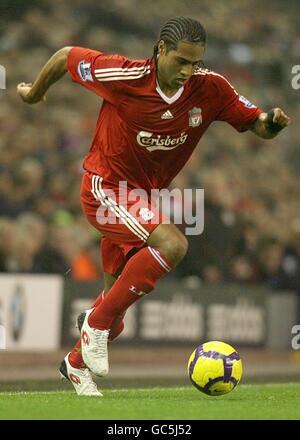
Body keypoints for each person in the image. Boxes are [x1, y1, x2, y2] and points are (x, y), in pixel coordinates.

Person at [17, 16, 290, 396]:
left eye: (195, 63)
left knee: (118, 318)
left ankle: (76, 365)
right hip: (104, 187)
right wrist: (34, 93)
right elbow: (66, 56)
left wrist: (272, 123)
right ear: (161, 49)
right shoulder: (123, 76)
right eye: (181, 61)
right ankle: (93, 322)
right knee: (173, 245)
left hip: (141, 198)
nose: (188, 71)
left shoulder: (210, 89)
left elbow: (255, 122)